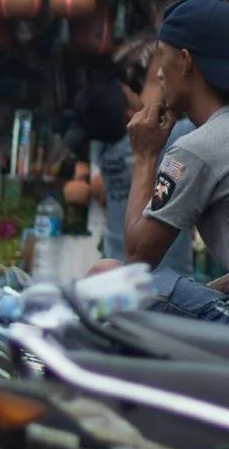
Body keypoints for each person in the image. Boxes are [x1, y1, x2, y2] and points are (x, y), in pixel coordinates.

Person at [121, 0, 229, 322]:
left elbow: (137, 257)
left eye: (160, 56)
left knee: (105, 275)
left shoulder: (196, 148)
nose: (158, 74)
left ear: (185, 61)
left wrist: (144, 156)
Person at [78, 40, 194, 274]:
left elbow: (152, 89)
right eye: (131, 93)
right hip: (162, 277)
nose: (137, 92)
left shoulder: (104, 151)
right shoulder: (165, 141)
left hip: (113, 267)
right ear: (129, 114)